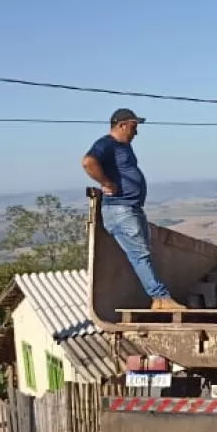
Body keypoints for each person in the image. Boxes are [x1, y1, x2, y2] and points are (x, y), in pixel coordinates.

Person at [82, 108, 185, 311]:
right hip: (120, 209)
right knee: (140, 255)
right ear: (121, 125)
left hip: (131, 208)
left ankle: (158, 299)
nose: (136, 132)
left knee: (143, 253)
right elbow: (88, 162)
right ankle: (161, 298)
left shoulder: (123, 146)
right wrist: (106, 183)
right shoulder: (106, 144)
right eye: (133, 127)